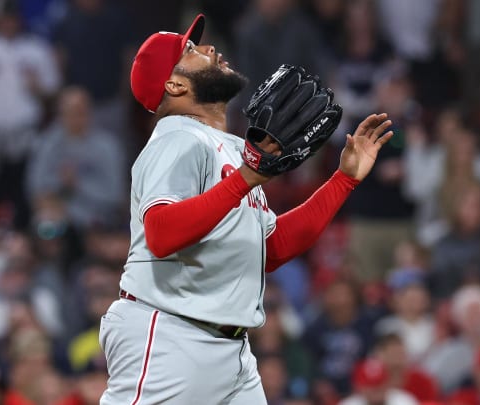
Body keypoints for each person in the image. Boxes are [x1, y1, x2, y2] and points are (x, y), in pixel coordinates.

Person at [100, 13, 394, 405]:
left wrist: (343, 181)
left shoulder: (236, 149)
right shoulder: (176, 139)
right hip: (169, 335)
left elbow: (270, 248)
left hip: (230, 349)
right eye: (190, 50)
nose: (209, 48)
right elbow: (161, 234)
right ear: (174, 84)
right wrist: (246, 178)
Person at [0, 0, 59, 228]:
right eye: (3, 19)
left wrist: (37, 87)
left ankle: (21, 245)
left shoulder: (36, 49)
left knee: (23, 197)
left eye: (12, 19)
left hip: (24, 137)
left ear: (19, 20)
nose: (8, 24)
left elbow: (53, 94)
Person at [27, 87, 127, 230]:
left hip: (97, 219)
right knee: (44, 224)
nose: (73, 118)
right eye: (68, 112)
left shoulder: (108, 147)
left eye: (79, 112)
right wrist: (58, 183)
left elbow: (115, 195)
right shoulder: (47, 143)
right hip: (56, 217)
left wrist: (78, 184)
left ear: (89, 113)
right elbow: (36, 186)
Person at [338, 358, 419, 405]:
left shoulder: (404, 401)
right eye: (370, 385)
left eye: (379, 384)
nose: (376, 390)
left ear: (388, 384)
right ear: (359, 387)